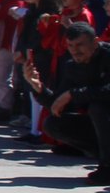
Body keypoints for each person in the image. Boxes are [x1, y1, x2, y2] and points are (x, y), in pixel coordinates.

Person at [19, 22, 110, 184]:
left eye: (80, 45)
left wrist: (74, 94)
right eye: (70, 45)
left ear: (95, 42)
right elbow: (59, 105)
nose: (75, 50)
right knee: (53, 124)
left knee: (98, 107)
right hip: (101, 124)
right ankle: (96, 152)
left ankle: (107, 167)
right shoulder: (72, 67)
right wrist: (38, 88)